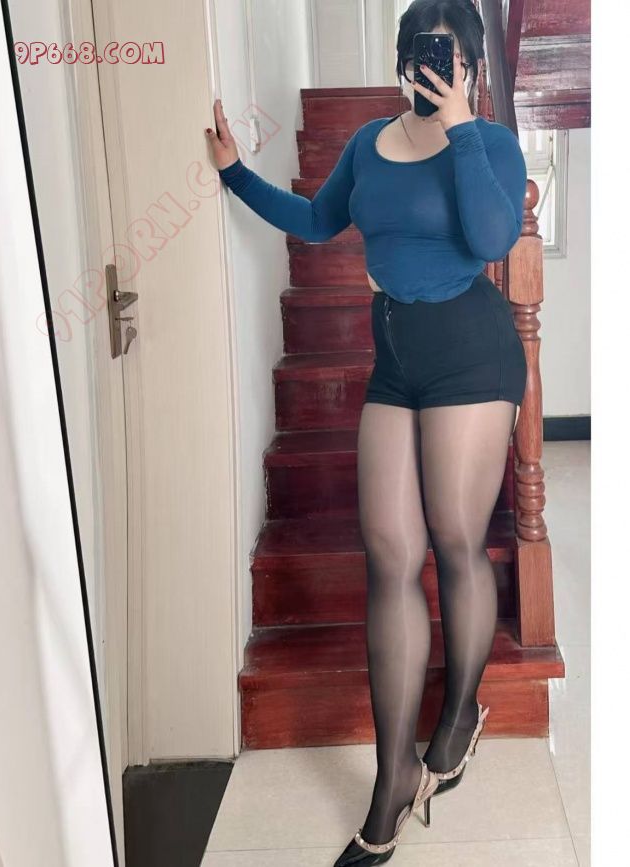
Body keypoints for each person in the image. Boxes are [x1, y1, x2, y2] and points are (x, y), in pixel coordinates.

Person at [206, 0, 528, 862]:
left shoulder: (489, 144)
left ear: (471, 66)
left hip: (471, 355)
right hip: (396, 363)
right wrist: (236, 174)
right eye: (422, 51)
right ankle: (395, 775)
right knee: (388, 552)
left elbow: (493, 236)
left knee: (455, 542)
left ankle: (457, 715)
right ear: (401, 57)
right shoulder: (366, 144)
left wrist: (461, 127)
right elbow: (319, 221)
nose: (434, 66)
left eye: (449, 55)